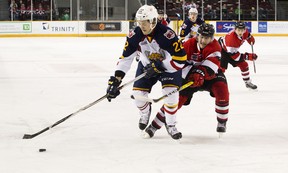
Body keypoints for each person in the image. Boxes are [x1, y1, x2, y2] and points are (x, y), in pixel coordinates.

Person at [106, 5, 187, 140]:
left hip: (168, 68)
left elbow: (181, 59)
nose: (142, 26)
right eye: (140, 22)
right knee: (138, 96)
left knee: (170, 95)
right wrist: (116, 79)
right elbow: (126, 58)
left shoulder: (166, 34)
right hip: (146, 65)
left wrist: (161, 65)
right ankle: (145, 111)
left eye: (145, 22)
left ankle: (171, 124)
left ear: (153, 21)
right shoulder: (134, 35)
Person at [144, 23, 230, 138]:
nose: (204, 41)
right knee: (176, 100)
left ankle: (222, 121)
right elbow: (177, 61)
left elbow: (212, 66)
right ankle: (154, 126)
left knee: (222, 90)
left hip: (210, 75)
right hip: (190, 76)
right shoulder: (188, 44)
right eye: (202, 37)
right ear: (197, 36)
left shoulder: (215, 47)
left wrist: (200, 73)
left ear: (212, 38)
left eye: (207, 38)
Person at [218, 21, 258, 90]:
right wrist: (248, 56)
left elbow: (248, 36)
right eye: (238, 30)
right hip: (222, 50)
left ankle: (247, 83)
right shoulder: (231, 40)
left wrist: (251, 39)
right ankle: (217, 85)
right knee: (221, 69)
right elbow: (235, 57)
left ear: (244, 30)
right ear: (235, 29)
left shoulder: (244, 32)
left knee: (244, 65)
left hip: (231, 50)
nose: (240, 32)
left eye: (242, 30)